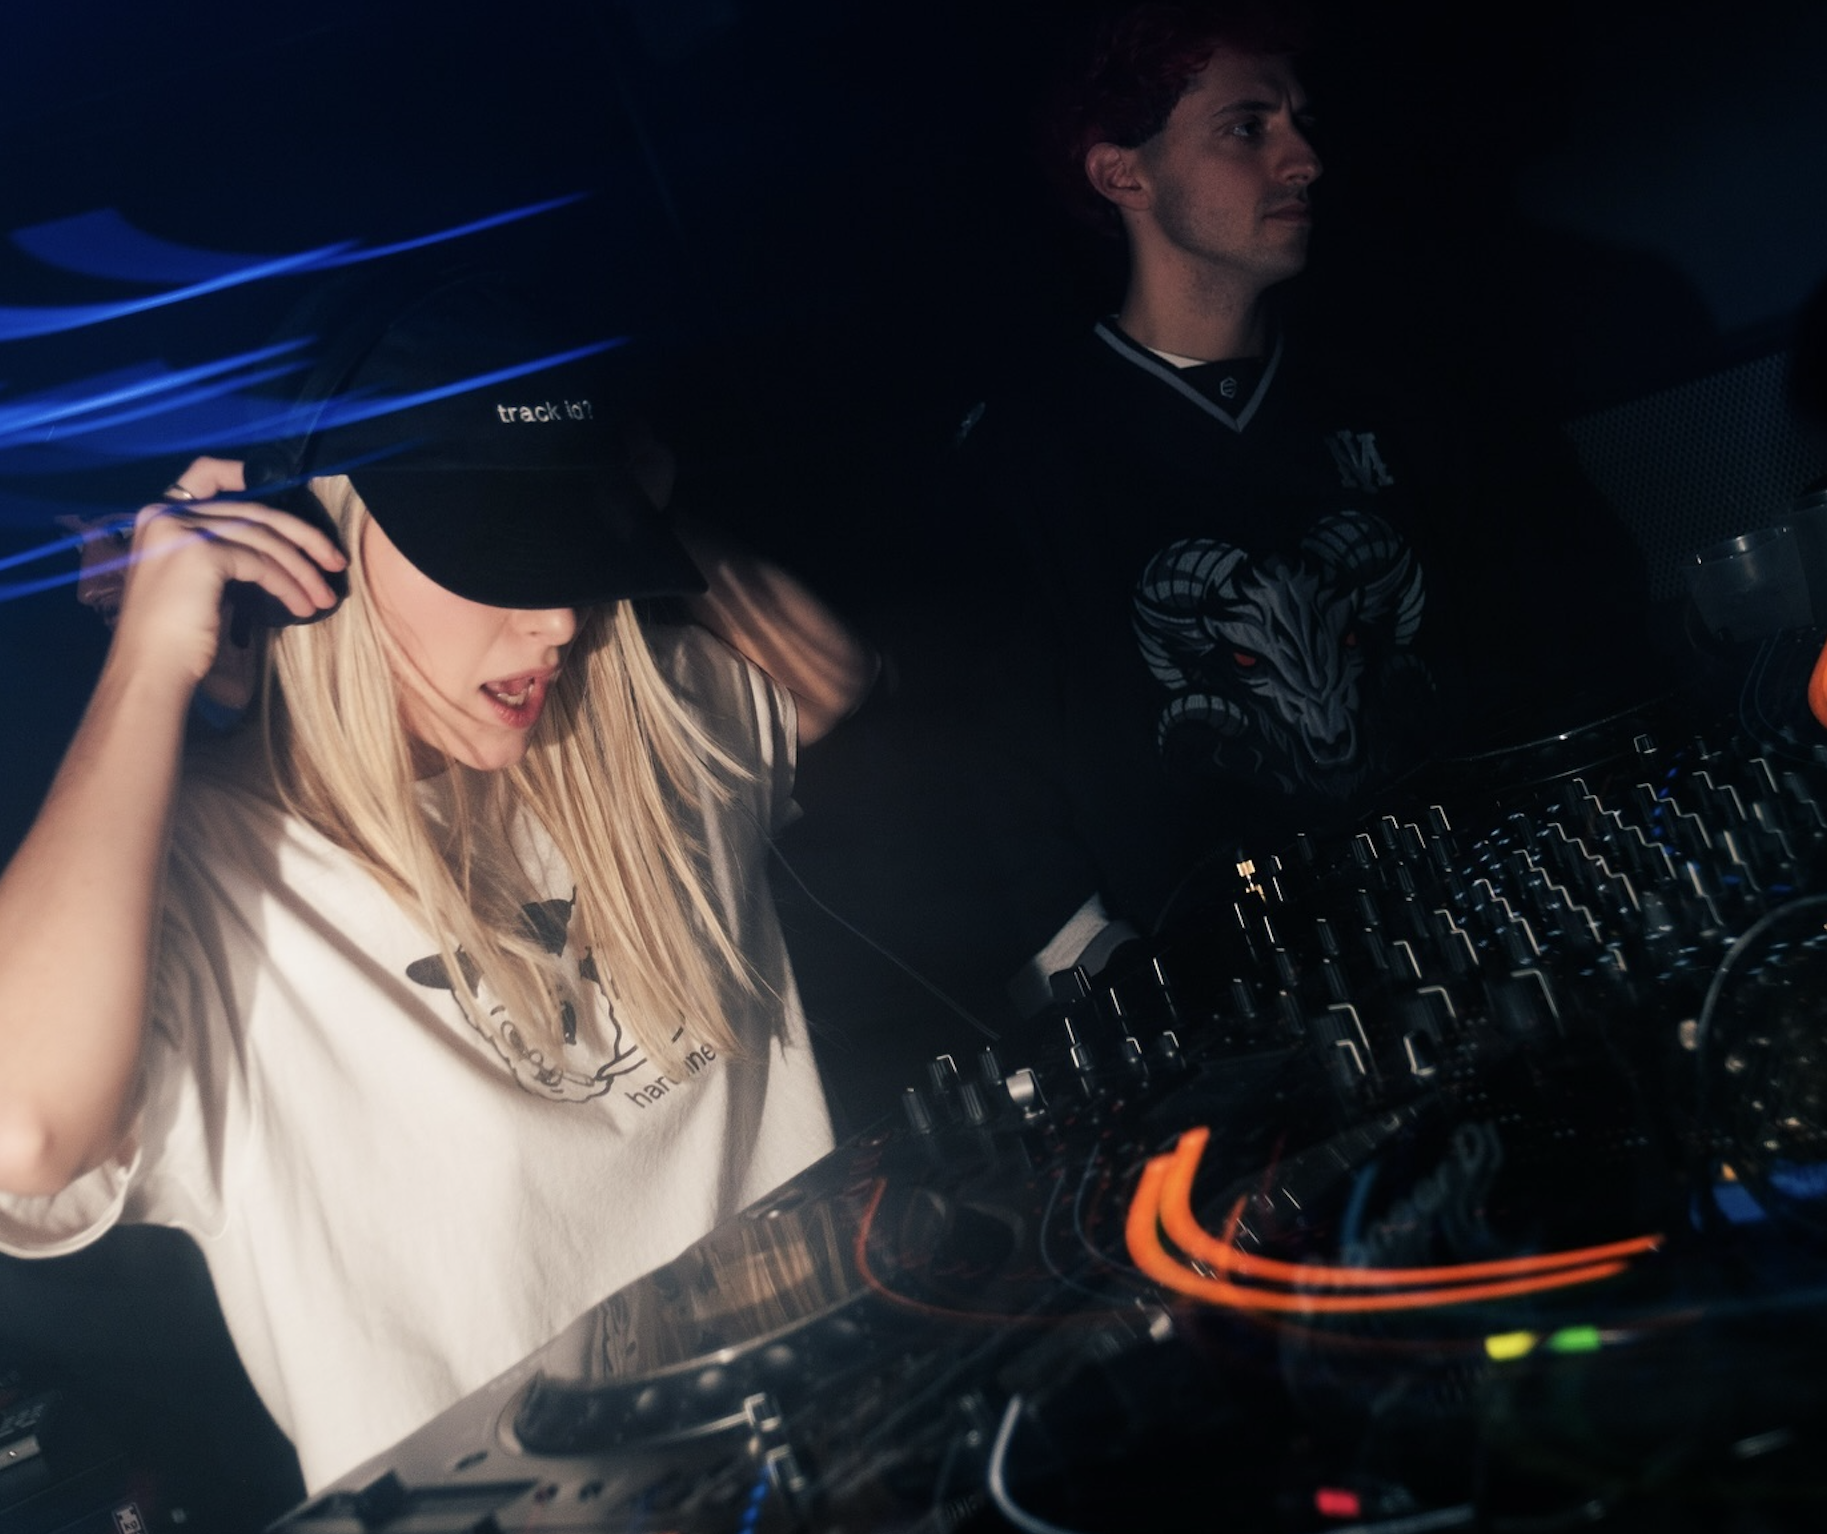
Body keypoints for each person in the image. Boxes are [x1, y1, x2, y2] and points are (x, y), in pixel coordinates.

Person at [0, 279, 872, 1491]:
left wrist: (626, 506)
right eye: (497, 552)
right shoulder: (214, 879)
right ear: (307, 545)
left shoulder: (632, 737)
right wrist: (149, 665)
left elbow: (826, 678)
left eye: (569, 543)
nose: (557, 616)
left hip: (843, 1466)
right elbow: (23, 1131)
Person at [929, 0, 1653, 1000]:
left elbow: (1554, 635)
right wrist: (1107, 973)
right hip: (1224, 990)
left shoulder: (1401, 397)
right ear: (1123, 173)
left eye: (1300, 122)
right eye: (1247, 127)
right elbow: (986, 757)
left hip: (1477, 930)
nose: (1304, 159)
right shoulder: (1025, 456)